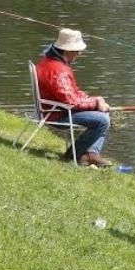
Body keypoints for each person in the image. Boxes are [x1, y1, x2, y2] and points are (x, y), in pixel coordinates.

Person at [35, 29, 113, 168]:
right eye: (77, 51)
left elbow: (72, 93)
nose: (79, 54)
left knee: (103, 113)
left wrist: (94, 99)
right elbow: (70, 100)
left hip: (54, 110)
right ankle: (74, 155)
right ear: (68, 51)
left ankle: (90, 155)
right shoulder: (58, 70)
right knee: (103, 120)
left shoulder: (50, 62)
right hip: (56, 115)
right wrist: (95, 102)